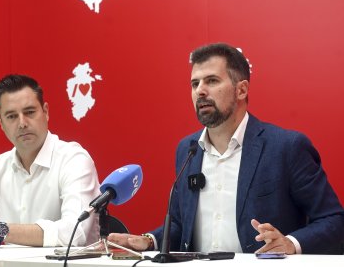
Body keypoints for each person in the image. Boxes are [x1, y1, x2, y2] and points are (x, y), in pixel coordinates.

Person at [108, 43, 344, 254]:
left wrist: (291, 243)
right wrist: (149, 241)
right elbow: (182, 225)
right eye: (194, 83)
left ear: (241, 90)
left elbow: (334, 220)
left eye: (211, 81)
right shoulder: (187, 150)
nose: (200, 91)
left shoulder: (286, 147)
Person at [0, 74, 100, 247]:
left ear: (45, 112)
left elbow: (75, 233)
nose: (22, 123)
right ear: (0, 122)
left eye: (30, 112)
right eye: (11, 116)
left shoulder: (74, 159)